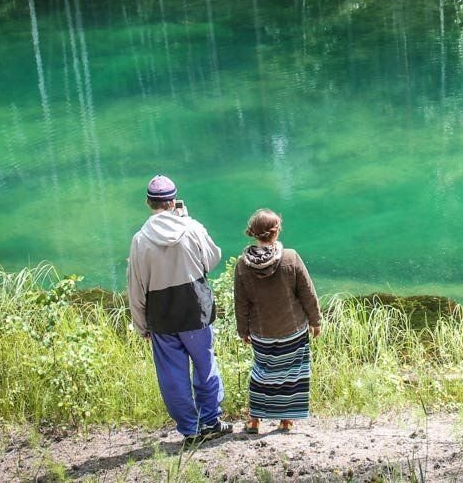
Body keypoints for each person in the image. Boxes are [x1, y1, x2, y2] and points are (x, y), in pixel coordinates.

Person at [127, 174, 232, 446]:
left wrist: (141, 325)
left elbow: (136, 287)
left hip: (162, 316)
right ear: (173, 201)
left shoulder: (140, 240)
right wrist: (187, 221)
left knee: (172, 374)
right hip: (195, 309)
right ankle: (211, 420)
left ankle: (190, 429)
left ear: (149, 203)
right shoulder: (191, 227)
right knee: (205, 365)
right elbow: (212, 259)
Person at [234, 208, 321, 435]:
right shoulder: (291, 257)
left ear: (253, 233)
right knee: (292, 374)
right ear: (277, 231)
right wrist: (316, 321)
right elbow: (307, 293)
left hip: (261, 333)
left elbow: (241, 303)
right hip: (293, 330)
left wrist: (243, 329)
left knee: (262, 373)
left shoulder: (243, 265)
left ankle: (254, 420)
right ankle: (286, 420)